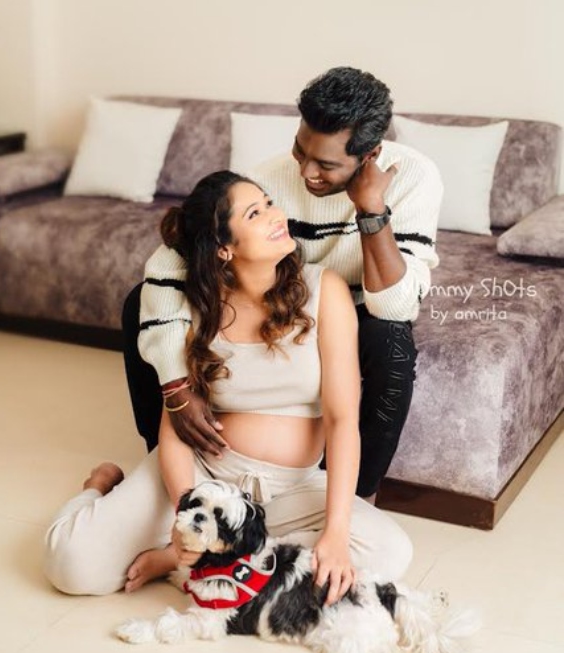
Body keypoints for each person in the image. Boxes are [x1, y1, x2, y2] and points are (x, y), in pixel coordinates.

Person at [45, 171, 412, 602]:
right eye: (255, 213)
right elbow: (175, 420)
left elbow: (343, 418)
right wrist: (189, 515)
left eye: (270, 202)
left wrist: (335, 530)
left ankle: (190, 559)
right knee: (71, 565)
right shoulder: (193, 305)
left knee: (390, 554)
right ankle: (101, 486)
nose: (277, 216)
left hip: (292, 489)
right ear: (224, 247)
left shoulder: (322, 289)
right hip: (207, 476)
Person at [128, 67, 443, 502]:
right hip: (282, 299)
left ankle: (355, 497)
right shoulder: (270, 177)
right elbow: (176, 256)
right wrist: (177, 387)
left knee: (391, 341)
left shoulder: (414, 179)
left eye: (326, 165)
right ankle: (167, 469)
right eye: (301, 151)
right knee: (140, 305)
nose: (307, 171)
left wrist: (371, 211)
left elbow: (396, 307)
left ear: (369, 154)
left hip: (356, 305)